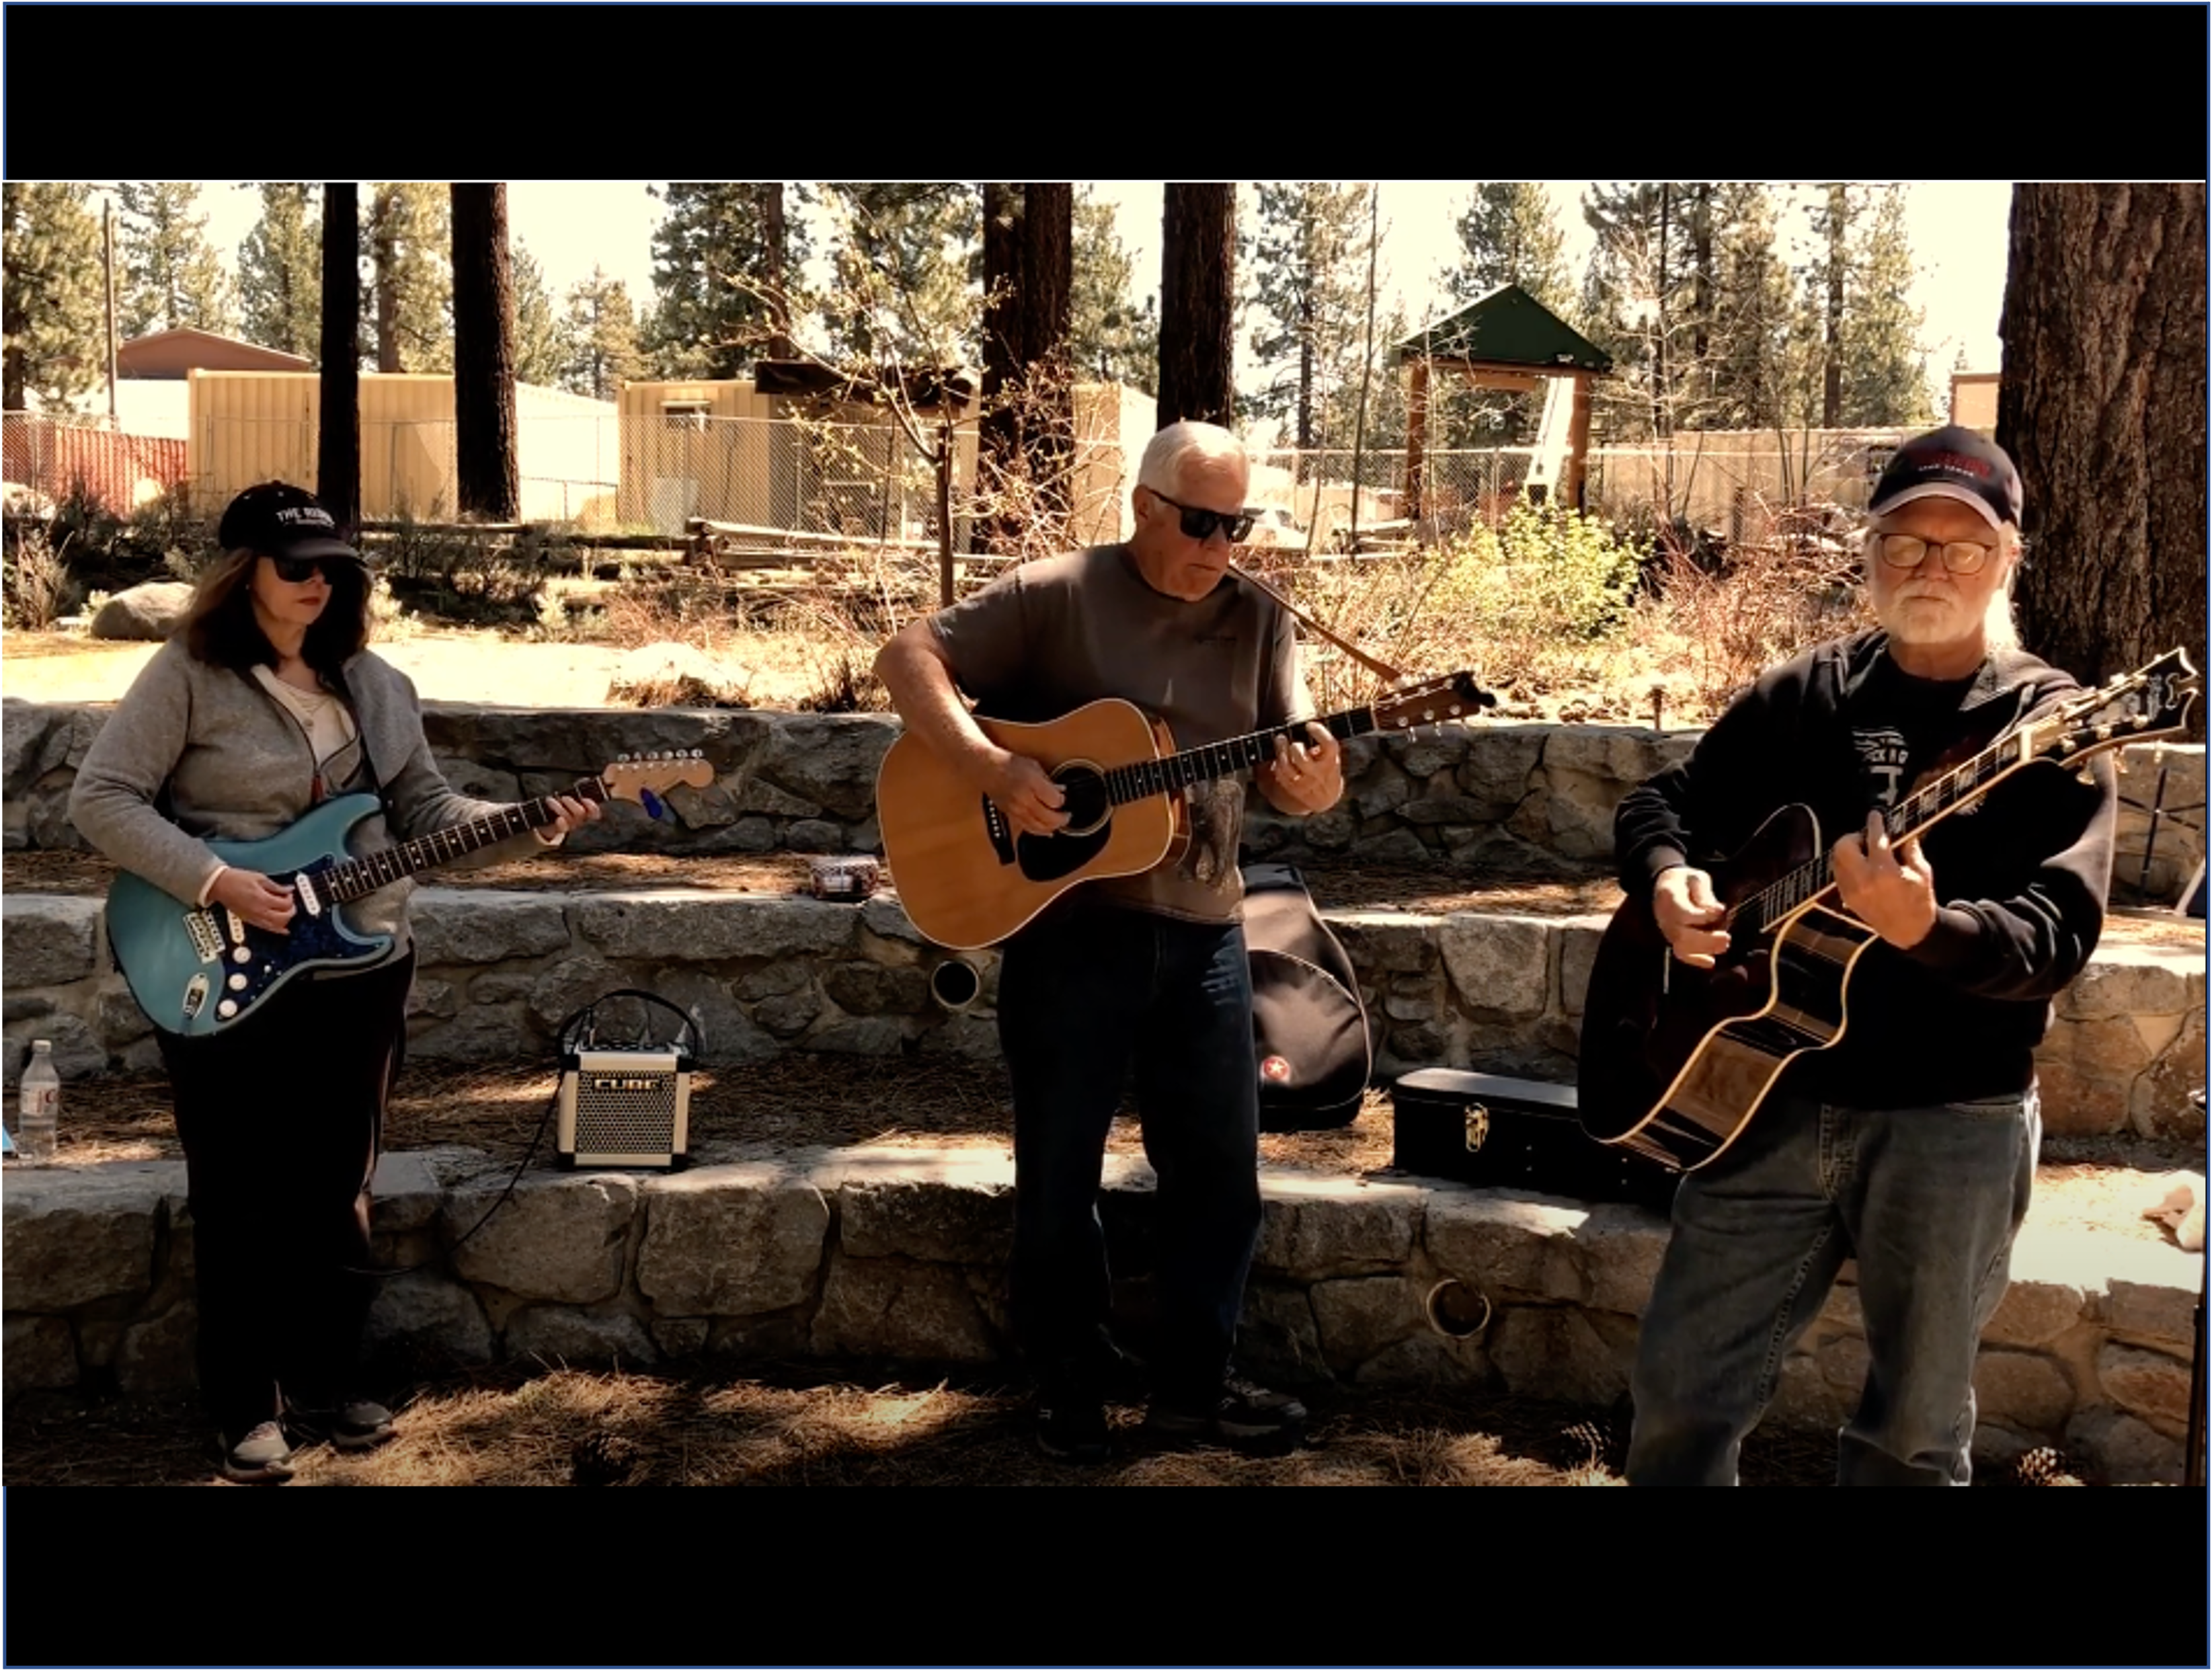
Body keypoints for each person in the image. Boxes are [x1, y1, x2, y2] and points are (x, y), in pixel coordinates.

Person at [1612, 426, 2119, 1485]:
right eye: (1904, 542)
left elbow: (2054, 938)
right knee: (1674, 1399)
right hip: (1760, 1101)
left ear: (2007, 562)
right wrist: (1666, 880)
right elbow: (1663, 800)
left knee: (1912, 1436)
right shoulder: (1802, 695)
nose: (1929, 567)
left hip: (1952, 1121)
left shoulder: (2052, 722)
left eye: (1960, 546)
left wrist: (1927, 930)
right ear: (1868, 552)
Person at [69, 481, 601, 1484]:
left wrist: (530, 822)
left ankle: (328, 1378)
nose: (319, 581)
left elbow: (425, 813)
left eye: (334, 565)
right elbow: (101, 800)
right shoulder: (187, 674)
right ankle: (244, 1405)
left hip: (359, 967)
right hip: (212, 954)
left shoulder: (374, 682)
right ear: (244, 575)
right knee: (236, 1190)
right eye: (295, 565)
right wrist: (219, 877)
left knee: (335, 1184)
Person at [873, 420, 1345, 1461]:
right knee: (1058, 1174)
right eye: (1201, 521)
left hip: (1207, 933)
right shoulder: (1058, 594)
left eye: (1239, 523)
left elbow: (1294, 744)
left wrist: (1315, 780)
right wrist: (993, 767)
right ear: (1142, 507)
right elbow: (907, 656)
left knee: (1220, 1177)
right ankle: (1068, 1387)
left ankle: (1192, 1392)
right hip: (1068, 929)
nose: (1221, 544)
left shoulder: (1258, 615)